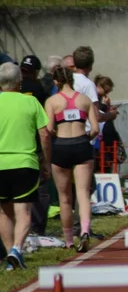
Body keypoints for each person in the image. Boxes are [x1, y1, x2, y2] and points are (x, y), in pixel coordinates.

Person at [0, 62, 51, 270]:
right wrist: (46, 161)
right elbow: (45, 134)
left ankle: (10, 256)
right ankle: (16, 250)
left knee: (3, 213)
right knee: (24, 212)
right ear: (20, 81)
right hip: (25, 163)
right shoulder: (30, 102)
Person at [45, 66, 99, 252]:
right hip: (82, 145)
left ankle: (68, 240)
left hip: (61, 146)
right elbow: (95, 129)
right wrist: (86, 139)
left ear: (56, 82)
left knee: (65, 198)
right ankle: (84, 230)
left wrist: (58, 133)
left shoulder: (52, 101)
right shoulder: (84, 100)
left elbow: (49, 128)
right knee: (83, 193)